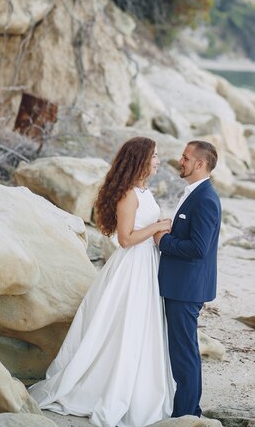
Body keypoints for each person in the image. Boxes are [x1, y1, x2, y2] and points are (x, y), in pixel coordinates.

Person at [29, 137, 175, 427]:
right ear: (140, 159)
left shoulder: (144, 191)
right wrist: (158, 226)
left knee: (141, 326)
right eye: (155, 156)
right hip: (131, 267)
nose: (159, 161)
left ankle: (138, 387)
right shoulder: (128, 194)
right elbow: (125, 239)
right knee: (121, 324)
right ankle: (102, 388)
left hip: (147, 264)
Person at [154, 140, 222, 418]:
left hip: (186, 289)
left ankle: (187, 413)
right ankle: (185, 408)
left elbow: (198, 248)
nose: (180, 161)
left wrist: (164, 241)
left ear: (200, 163)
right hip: (181, 285)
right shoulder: (195, 193)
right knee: (181, 350)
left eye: (185, 157)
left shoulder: (205, 198)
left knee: (184, 353)